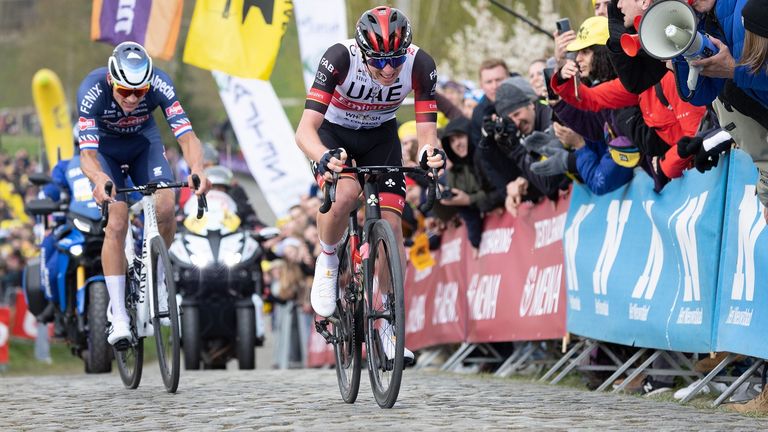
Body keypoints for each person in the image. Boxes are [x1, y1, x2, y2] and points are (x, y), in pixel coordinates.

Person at [294, 6, 445, 364]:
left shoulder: (420, 64)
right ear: (363, 52)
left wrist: (430, 155)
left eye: (395, 59)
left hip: (381, 136)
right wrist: (322, 156)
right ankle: (329, 261)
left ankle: (389, 326)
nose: (389, 70)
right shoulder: (339, 59)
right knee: (346, 193)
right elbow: (305, 131)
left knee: (392, 226)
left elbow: (427, 135)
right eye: (379, 61)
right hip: (334, 134)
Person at [76, 41, 210, 346]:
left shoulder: (160, 83)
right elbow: (87, 154)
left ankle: (159, 280)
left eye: (140, 92)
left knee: (166, 206)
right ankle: (119, 316)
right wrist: (98, 178)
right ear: (111, 81)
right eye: (125, 91)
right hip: (105, 154)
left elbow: (186, 136)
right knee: (118, 220)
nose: (133, 98)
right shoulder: (91, 89)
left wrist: (198, 168)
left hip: (143, 147)